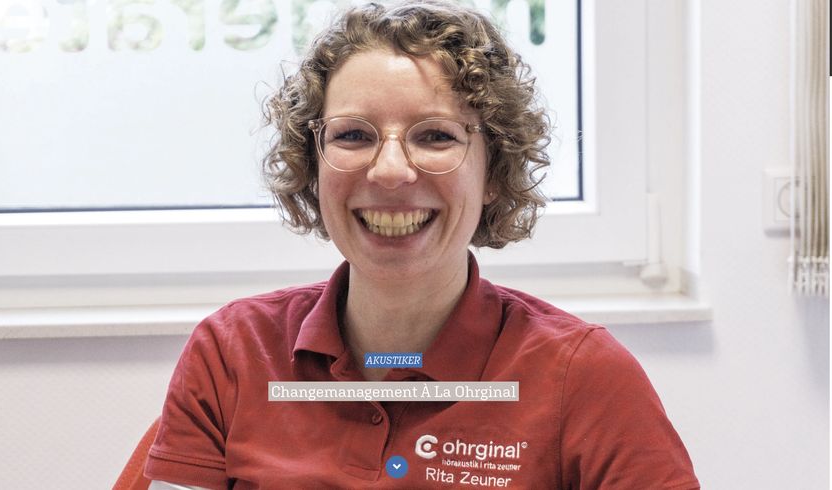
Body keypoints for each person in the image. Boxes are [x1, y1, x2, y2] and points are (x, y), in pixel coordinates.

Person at [144, 1, 700, 488]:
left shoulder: (582, 376)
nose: (390, 171)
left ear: (494, 171)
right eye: (353, 135)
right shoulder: (234, 353)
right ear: (312, 167)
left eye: (436, 135)